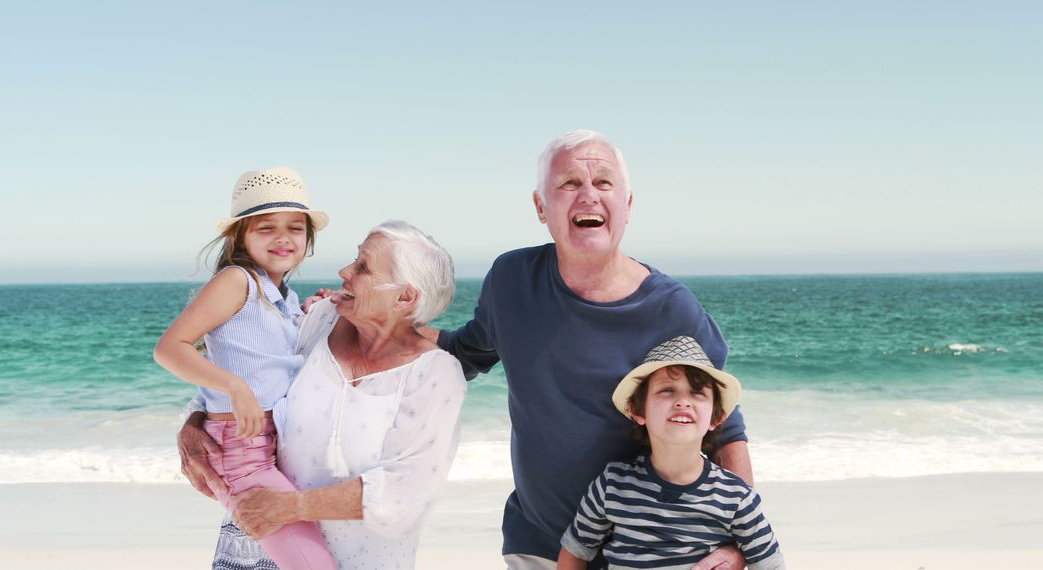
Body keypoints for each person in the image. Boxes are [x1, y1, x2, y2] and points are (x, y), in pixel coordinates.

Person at [422, 130, 753, 570]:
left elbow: (724, 431)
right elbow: (463, 352)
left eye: (603, 183)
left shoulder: (673, 310)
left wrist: (737, 544)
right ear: (541, 207)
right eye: (570, 183)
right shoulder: (511, 279)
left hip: (645, 553)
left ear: (628, 205)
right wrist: (369, 319)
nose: (589, 196)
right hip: (536, 540)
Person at [177, 220, 466, 570]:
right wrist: (193, 422)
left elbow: (404, 493)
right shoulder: (320, 319)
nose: (345, 271)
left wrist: (291, 507)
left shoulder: (435, 375)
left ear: (404, 297)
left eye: (363, 268)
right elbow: (251, 373)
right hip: (258, 546)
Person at [155, 166, 336, 570]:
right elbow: (169, 348)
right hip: (242, 451)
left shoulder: (283, 297)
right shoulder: (237, 281)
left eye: (295, 228)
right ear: (240, 236)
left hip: (269, 447)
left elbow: (273, 360)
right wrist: (233, 387)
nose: (283, 238)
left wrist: (315, 311)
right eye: (266, 227)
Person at [558, 336, 784, 570]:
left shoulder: (735, 497)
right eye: (667, 390)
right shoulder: (613, 485)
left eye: (698, 392)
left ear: (716, 417)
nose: (682, 401)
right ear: (637, 409)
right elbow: (575, 551)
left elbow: (771, 565)